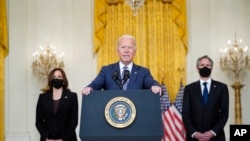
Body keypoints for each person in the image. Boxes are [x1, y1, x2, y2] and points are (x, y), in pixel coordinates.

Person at [82, 34, 162, 95]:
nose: (126, 50)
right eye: (123, 47)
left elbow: (151, 82)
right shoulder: (106, 71)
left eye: (130, 47)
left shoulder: (143, 72)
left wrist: (155, 86)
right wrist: (89, 88)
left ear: (135, 51)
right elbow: (95, 84)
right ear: (117, 51)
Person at [182, 55, 229, 141]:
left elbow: (224, 114)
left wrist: (212, 132)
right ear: (197, 68)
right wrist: (194, 133)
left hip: (216, 137)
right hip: (194, 138)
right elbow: (185, 114)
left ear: (212, 68)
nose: (205, 67)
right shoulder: (189, 89)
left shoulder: (222, 88)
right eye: (202, 65)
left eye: (208, 65)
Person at [36, 68, 78, 141]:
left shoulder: (72, 97)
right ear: (50, 79)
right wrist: (46, 138)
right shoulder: (43, 97)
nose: (57, 79)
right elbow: (38, 121)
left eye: (59, 77)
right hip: (48, 139)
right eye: (54, 77)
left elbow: (74, 121)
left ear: (63, 80)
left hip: (67, 139)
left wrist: (62, 139)